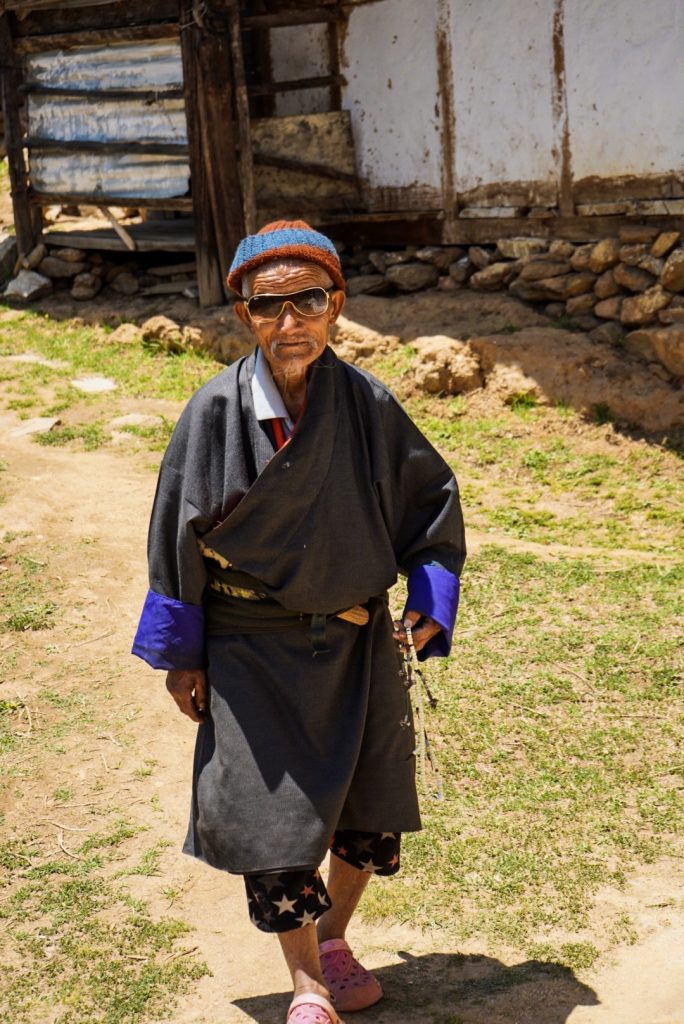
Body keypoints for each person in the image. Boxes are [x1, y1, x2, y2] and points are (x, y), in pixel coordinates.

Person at [132, 220, 466, 1024]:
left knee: (369, 812)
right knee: (272, 826)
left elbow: (431, 500)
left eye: (308, 301)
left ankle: (336, 940)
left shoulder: (366, 403)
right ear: (244, 314)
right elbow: (173, 534)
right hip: (252, 651)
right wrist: (187, 657)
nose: (291, 324)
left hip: (358, 642)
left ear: (337, 304)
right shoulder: (212, 413)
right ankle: (308, 984)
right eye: (268, 306)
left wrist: (430, 595)